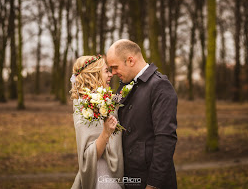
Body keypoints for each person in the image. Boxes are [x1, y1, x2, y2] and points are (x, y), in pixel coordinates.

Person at [106, 39, 178, 189]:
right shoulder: (124, 86)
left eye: (115, 67)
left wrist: (153, 183)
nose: (112, 73)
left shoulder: (160, 86)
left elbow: (165, 138)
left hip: (149, 180)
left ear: (130, 60)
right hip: (128, 177)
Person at [70, 55, 124, 189]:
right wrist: (106, 132)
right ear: (94, 74)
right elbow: (88, 155)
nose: (111, 74)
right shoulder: (84, 107)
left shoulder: (103, 100)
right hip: (103, 176)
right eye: (106, 71)